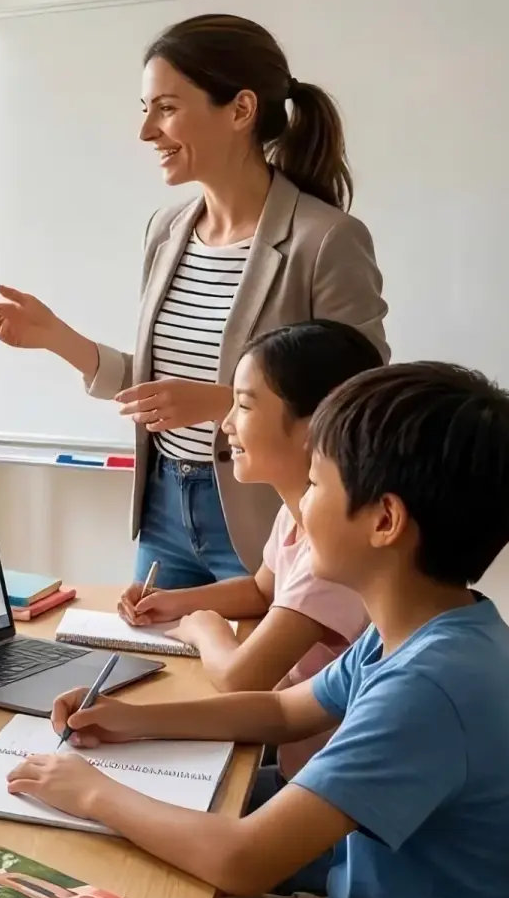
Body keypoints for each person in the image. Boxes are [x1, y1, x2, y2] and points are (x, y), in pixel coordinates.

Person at [6, 363, 509, 898]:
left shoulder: (428, 685)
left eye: (316, 484)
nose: (301, 507)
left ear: (385, 520)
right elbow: (282, 711)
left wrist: (92, 791)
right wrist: (131, 721)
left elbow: (245, 859)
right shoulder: (433, 627)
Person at [0, 14, 389, 589]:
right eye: (145, 109)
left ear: (240, 110)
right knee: (148, 676)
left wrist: (218, 405)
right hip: (162, 506)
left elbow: (362, 403)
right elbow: (159, 390)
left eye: (165, 107)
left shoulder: (326, 239)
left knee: (248, 680)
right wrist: (54, 336)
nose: (146, 132)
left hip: (267, 517)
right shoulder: (166, 231)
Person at [120, 320, 380, 784]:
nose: (225, 425)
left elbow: (242, 678)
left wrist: (205, 630)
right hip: (301, 771)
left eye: (242, 405)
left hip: (319, 790)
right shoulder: (297, 511)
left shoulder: (335, 548)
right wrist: (174, 603)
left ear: (317, 423)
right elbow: (263, 591)